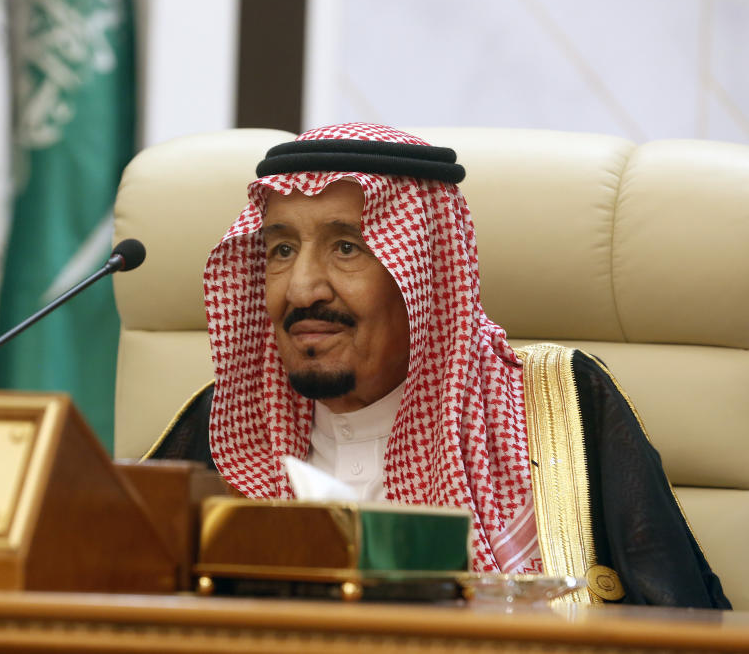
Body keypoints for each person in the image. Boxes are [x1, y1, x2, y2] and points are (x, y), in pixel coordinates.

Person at [147, 122, 730, 609]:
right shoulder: (222, 429)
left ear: (423, 273)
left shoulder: (560, 405)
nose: (301, 289)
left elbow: (684, 627)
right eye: (280, 250)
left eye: (346, 247)